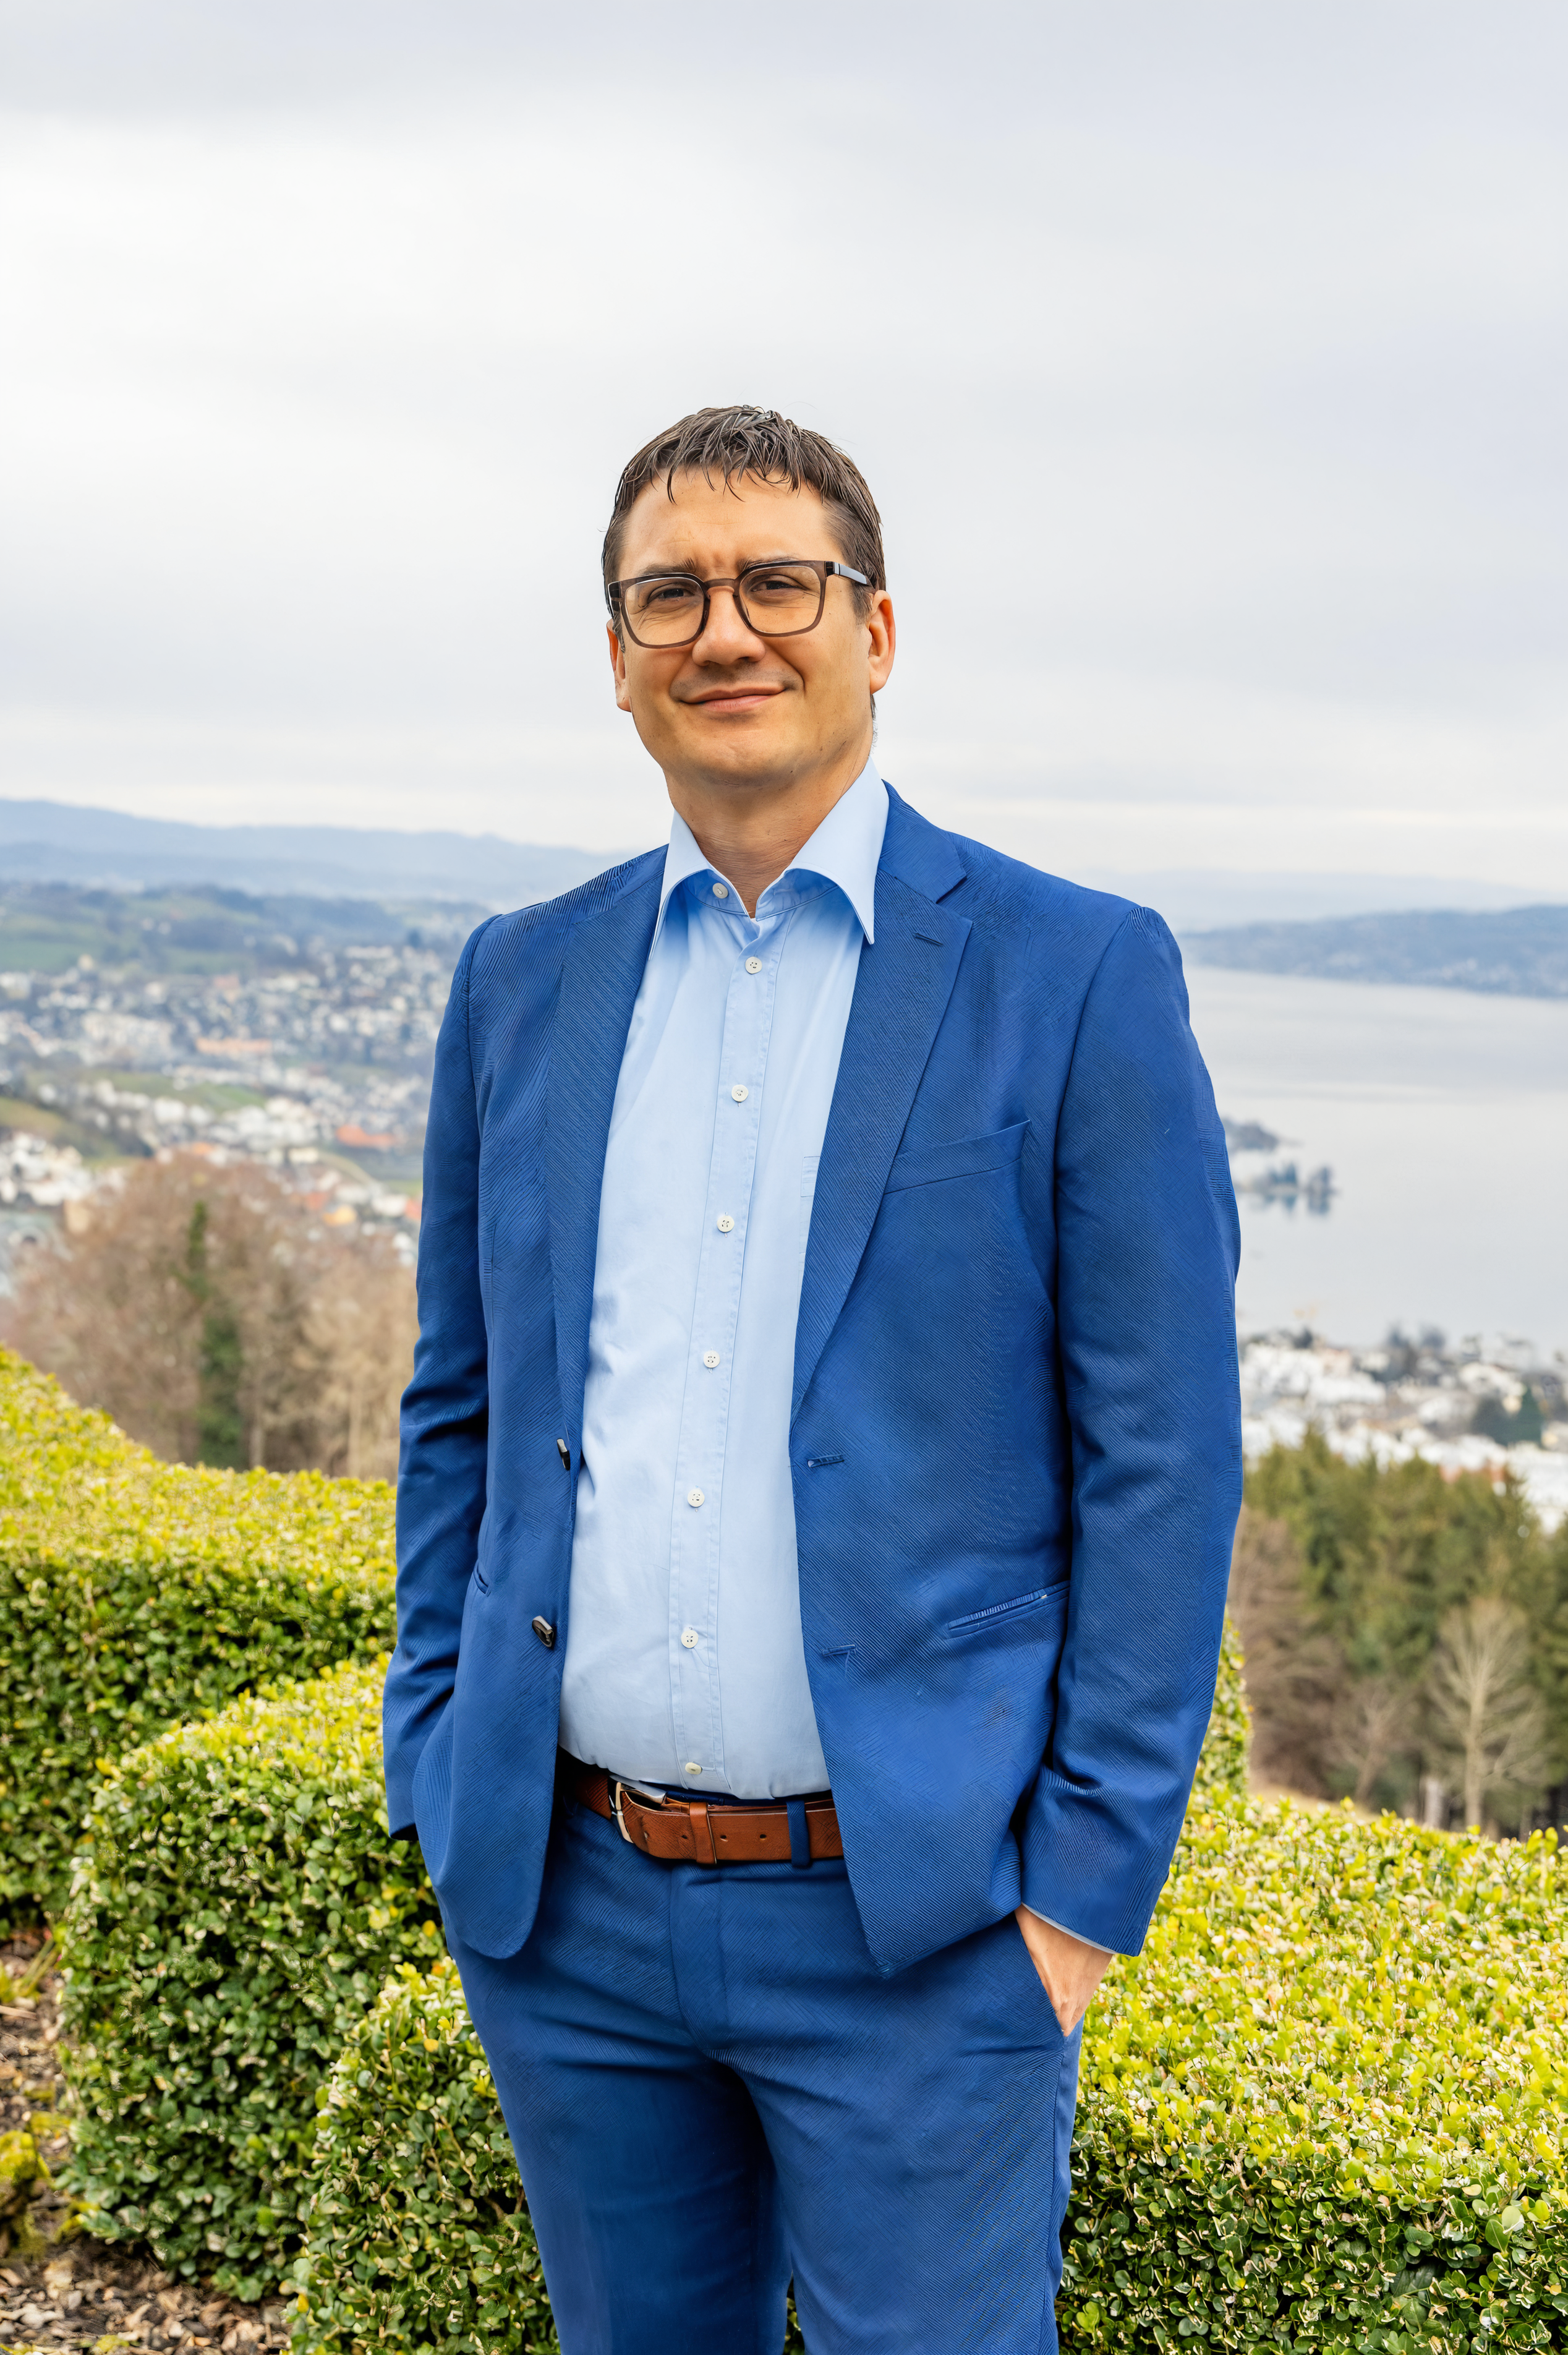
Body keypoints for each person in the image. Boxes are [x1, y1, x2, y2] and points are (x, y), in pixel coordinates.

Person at [386, 404, 1242, 2354]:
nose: (725, 630)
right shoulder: (523, 978)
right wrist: (441, 1765)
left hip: (922, 1932)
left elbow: (1166, 1463)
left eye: (780, 580)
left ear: (875, 626)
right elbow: (463, 1412)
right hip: (571, 1916)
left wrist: (1077, 1906)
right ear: (617, 655)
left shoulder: (1077, 972)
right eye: (668, 592)